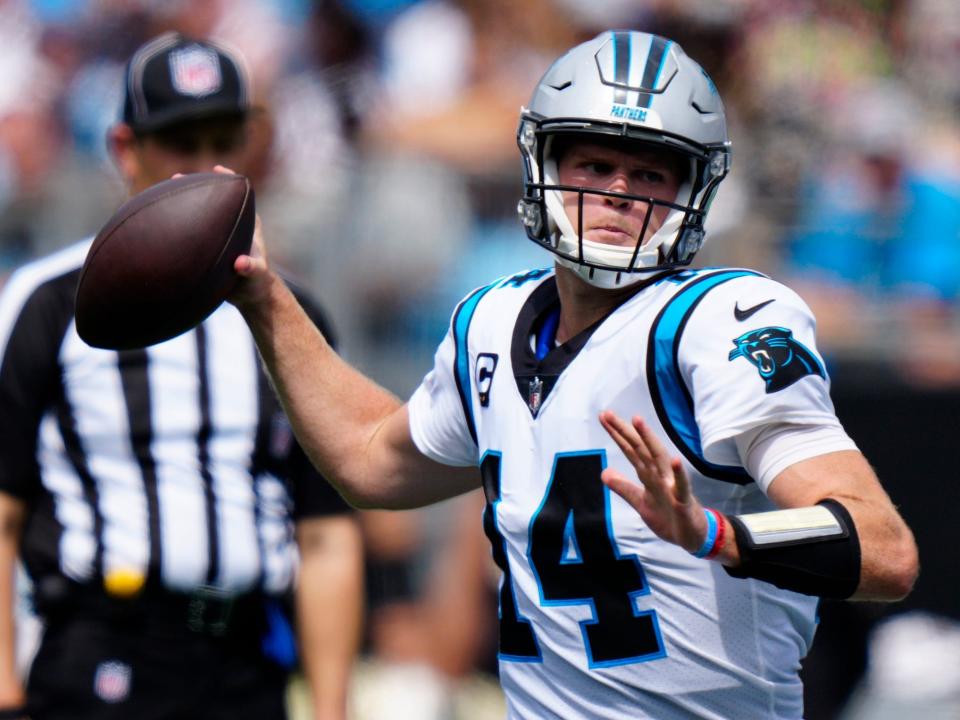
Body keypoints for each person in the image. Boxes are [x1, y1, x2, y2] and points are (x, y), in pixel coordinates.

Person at [229, 31, 918, 719]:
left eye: (650, 174)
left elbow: (884, 549)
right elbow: (369, 458)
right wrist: (264, 295)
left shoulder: (718, 323)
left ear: (695, 188)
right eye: (595, 164)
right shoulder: (492, 323)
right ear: (544, 164)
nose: (619, 192)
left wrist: (716, 535)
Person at [0, 33, 362, 720]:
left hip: (246, 660)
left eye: (223, 140)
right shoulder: (52, 301)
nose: (203, 167)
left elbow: (325, 534)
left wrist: (332, 708)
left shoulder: (292, 314)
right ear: (124, 150)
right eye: (179, 143)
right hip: (100, 650)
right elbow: (3, 509)